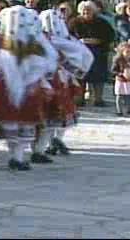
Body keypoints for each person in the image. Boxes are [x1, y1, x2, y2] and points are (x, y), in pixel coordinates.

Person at [0, 6, 58, 170]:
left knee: (26, 121)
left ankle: (18, 157)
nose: (18, 23)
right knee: (11, 121)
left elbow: (47, 61)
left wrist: (39, 78)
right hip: (6, 86)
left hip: (30, 86)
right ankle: (15, 157)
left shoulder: (35, 40)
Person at [36, 9, 93, 158]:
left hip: (59, 81)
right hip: (52, 81)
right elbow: (83, 57)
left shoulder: (63, 39)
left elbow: (82, 56)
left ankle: (53, 141)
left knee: (60, 111)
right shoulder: (47, 39)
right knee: (52, 112)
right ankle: (48, 143)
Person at [68, 1, 115, 107]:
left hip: (98, 52)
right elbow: (68, 37)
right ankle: (79, 98)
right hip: (80, 53)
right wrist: (80, 41)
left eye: (89, 10)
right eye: (84, 10)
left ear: (93, 11)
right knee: (80, 76)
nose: (86, 12)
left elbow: (110, 36)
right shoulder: (74, 22)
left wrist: (98, 41)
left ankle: (98, 99)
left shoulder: (102, 22)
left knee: (98, 77)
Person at [111, 42, 130, 116]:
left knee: (129, 95)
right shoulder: (118, 60)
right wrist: (120, 74)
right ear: (121, 51)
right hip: (121, 80)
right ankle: (119, 110)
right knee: (119, 95)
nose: (129, 54)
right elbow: (113, 70)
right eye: (127, 52)